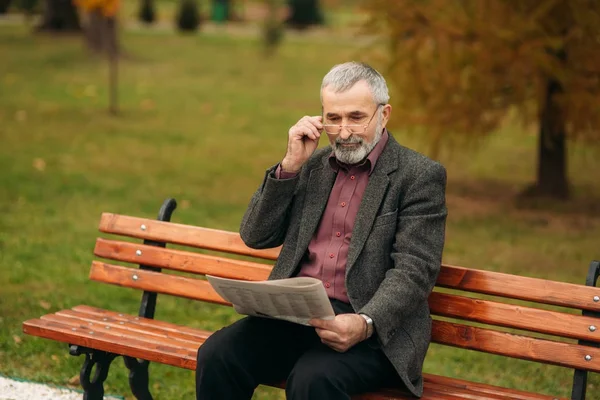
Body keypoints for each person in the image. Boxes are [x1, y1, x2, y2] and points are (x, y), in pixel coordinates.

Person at [196, 61, 447, 399]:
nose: (343, 132)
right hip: (295, 318)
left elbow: (415, 270)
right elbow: (256, 235)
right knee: (217, 355)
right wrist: (289, 166)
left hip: (372, 330)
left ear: (384, 114)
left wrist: (364, 322)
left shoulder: (418, 176)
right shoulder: (312, 165)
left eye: (356, 117)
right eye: (333, 118)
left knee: (314, 380)